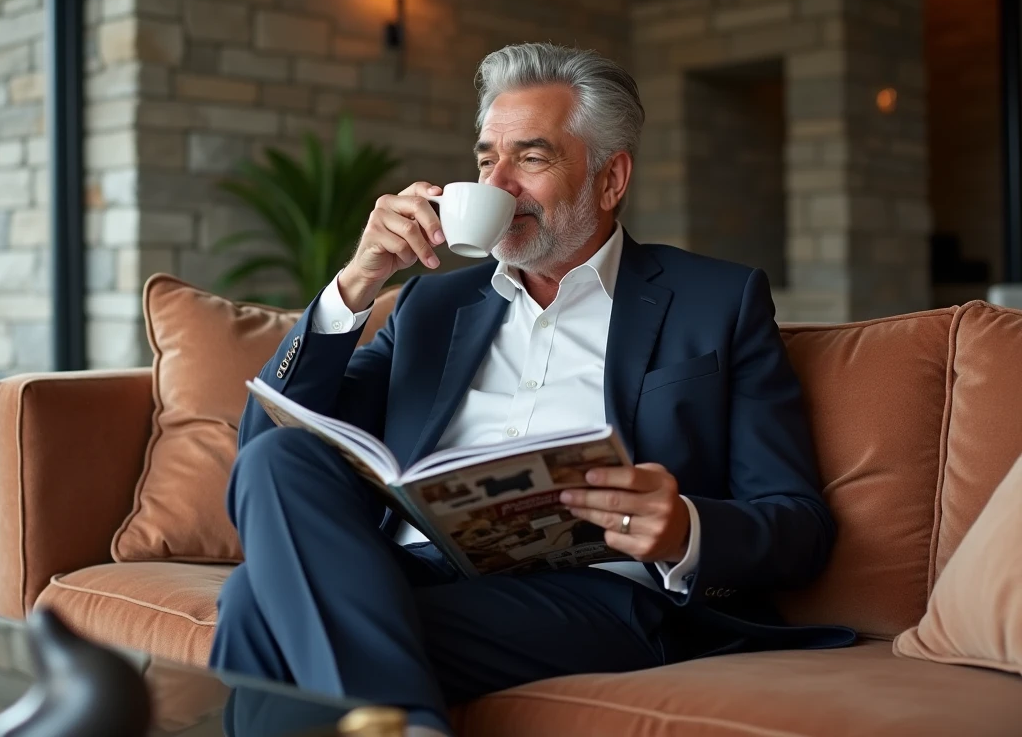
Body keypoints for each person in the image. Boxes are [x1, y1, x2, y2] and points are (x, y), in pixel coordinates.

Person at [209, 43, 855, 737]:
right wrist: (355, 285)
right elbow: (266, 447)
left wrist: (683, 529)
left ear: (610, 179)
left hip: (601, 596)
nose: (499, 183)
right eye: (487, 159)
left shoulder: (716, 302)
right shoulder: (431, 309)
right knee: (281, 463)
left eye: (532, 157)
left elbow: (797, 523)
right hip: (422, 569)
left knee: (259, 605)